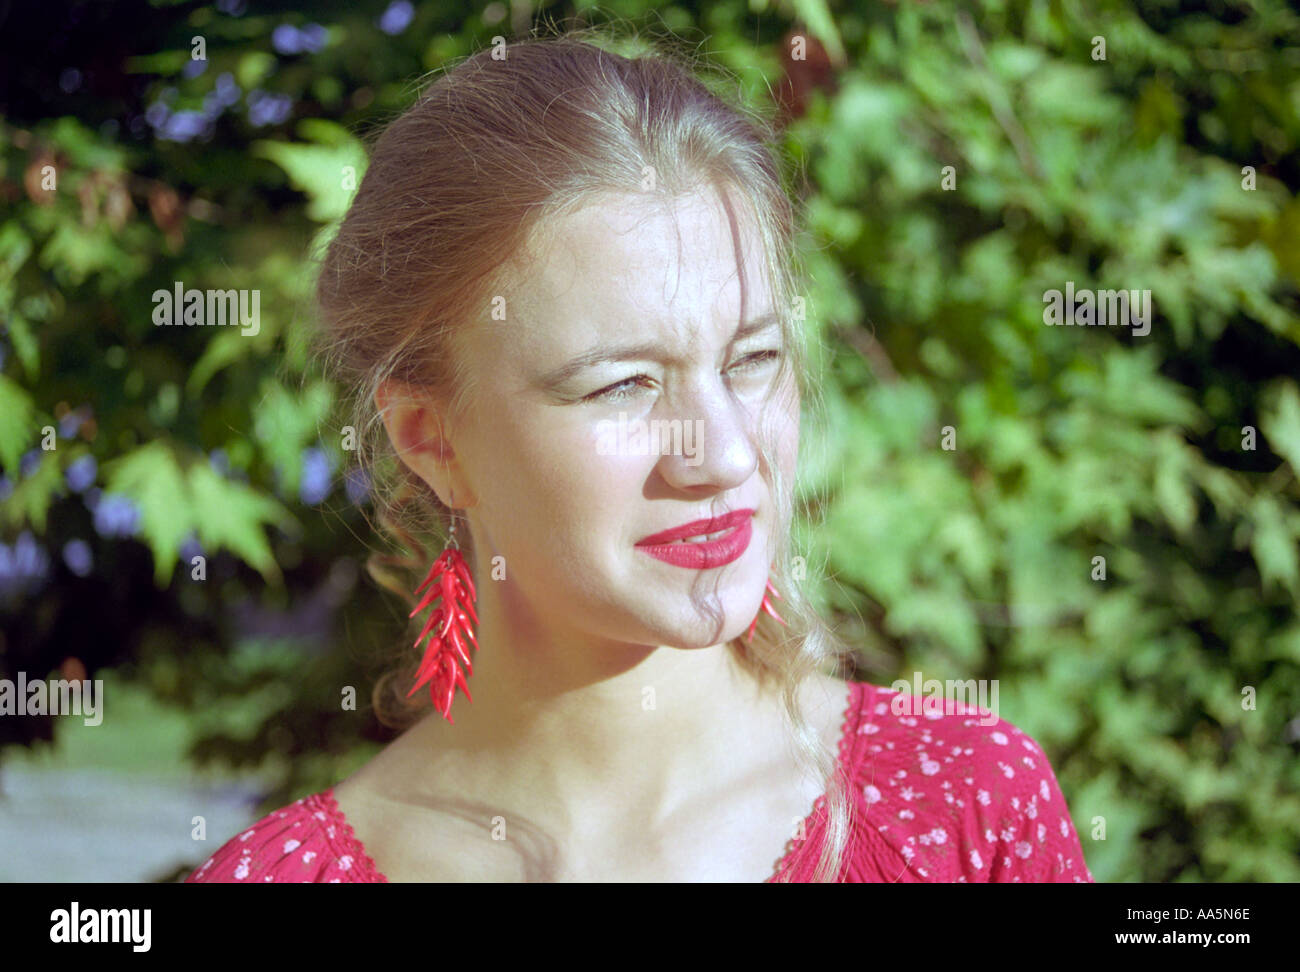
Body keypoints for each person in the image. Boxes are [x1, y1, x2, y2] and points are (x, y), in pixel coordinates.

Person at [187, 31, 1093, 883]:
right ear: (432, 439)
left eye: (753, 362)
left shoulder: (968, 807)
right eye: (621, 386)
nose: (725, 455)